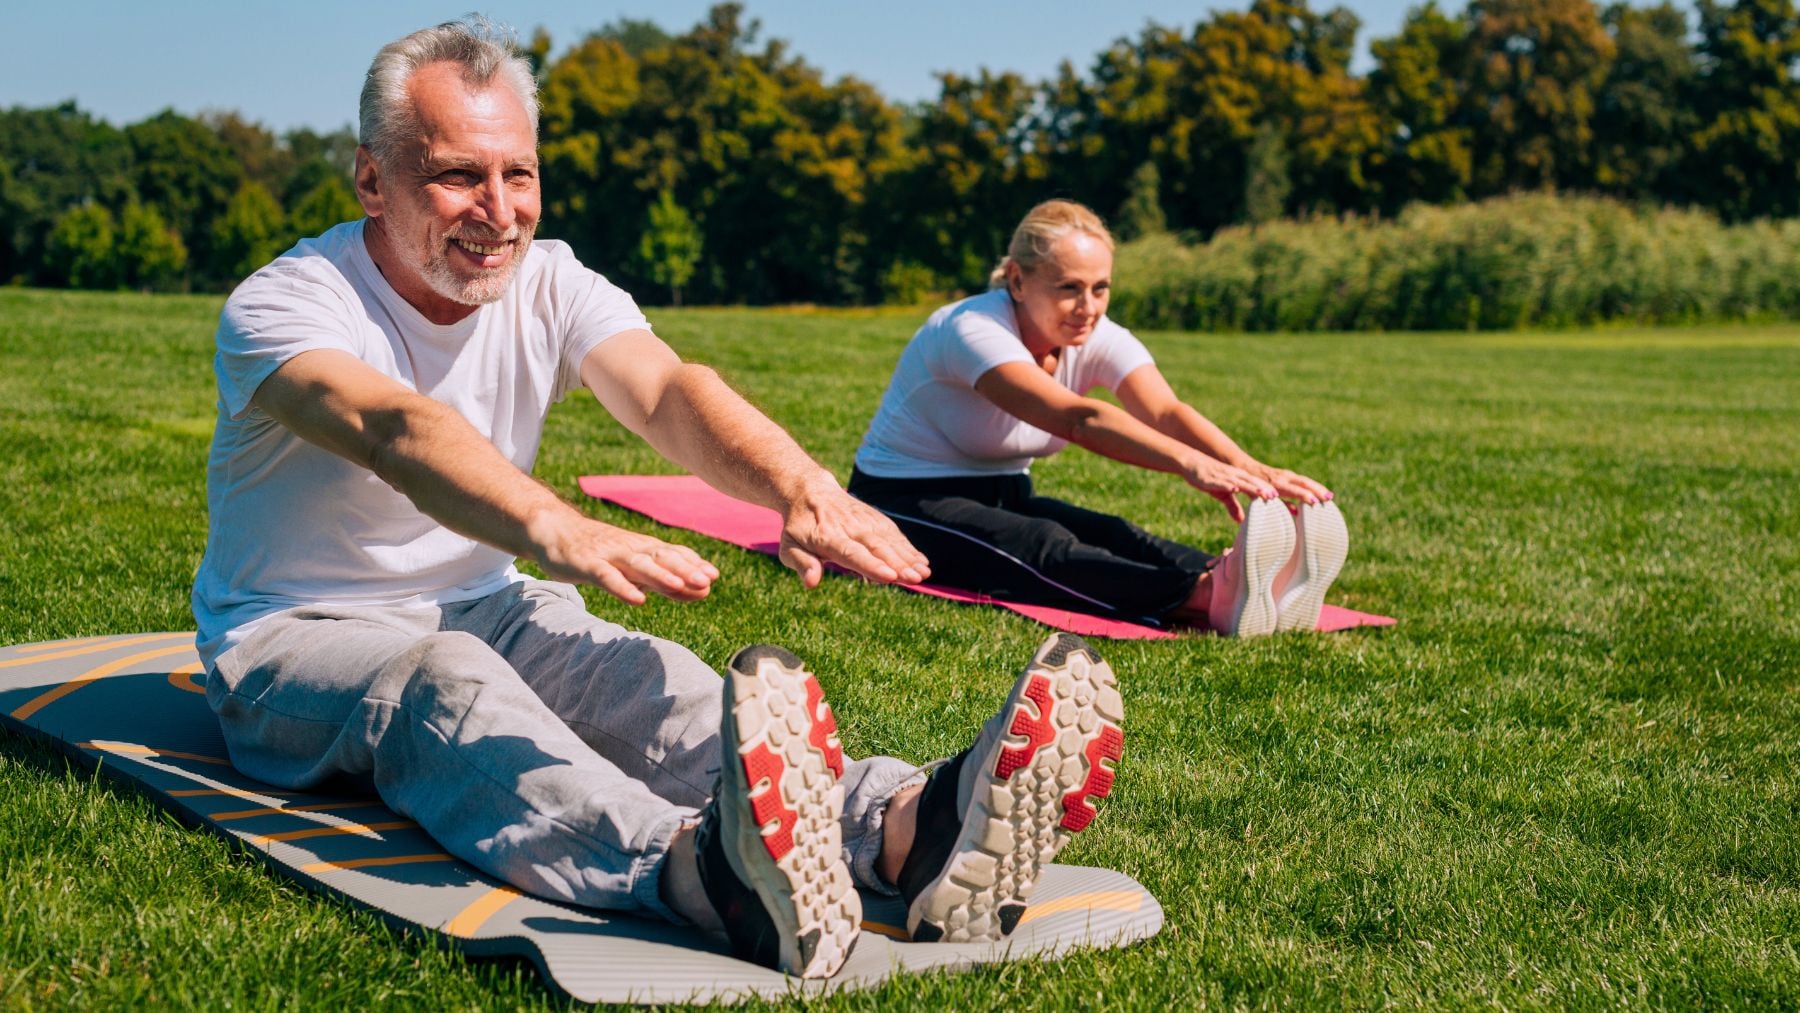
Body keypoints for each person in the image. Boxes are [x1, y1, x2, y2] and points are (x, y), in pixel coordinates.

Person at [190, 20, 1124, 979]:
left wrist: (798, 487)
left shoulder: (548, 280)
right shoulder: (288, 304)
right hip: (292, 636)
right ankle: (698, 869)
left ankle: (903, 831)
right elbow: (396, 428)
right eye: (457, 175)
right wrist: (554, 525)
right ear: (370, 180)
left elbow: (669, 389)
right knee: (442, 687)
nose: (499, 210)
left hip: (490, 605)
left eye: (519, 174)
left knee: (647, 679)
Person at [849, 199, 1349, 638]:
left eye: (1101, 288)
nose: (1088, 307)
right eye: (1069, 287)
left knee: (1113, 532)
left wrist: (1252, 470)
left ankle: (1240, 579)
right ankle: (1202, 596)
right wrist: (1188, 464)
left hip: (1002, 492)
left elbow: (1164, 410)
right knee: (1040, 545)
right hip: (900, 501)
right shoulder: (971, 330)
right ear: (1018, 280)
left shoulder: (1093, 333)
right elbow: (1077, 419)